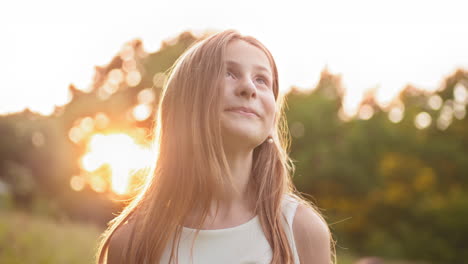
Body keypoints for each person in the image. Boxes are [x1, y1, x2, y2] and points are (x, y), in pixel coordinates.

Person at [96, 29, 336, 264]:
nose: (249, 88)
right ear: (187, 101)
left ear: (273, 119)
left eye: (261, 79)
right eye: (229, 73)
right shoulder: (131, 243)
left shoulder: (301, 231)